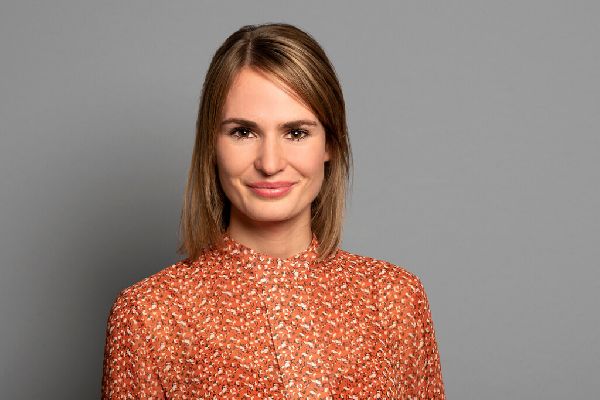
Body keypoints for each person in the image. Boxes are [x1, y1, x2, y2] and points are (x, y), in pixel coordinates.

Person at [101, 22, 445, 399]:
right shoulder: (150, 314)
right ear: (212, 144)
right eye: (243, 132)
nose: (270, 163)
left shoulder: (394, 298)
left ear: (330, 144)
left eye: (296, 133)